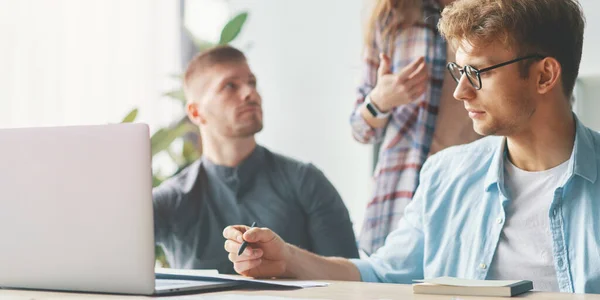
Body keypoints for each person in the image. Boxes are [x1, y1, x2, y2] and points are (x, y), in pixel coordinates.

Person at [223, 0, 600, 293]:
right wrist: (286, 258)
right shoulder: (444, 176)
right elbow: (382, 275)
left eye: (477, 73)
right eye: (458, 71)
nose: (460, 91)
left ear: (545, 75)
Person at [153, 45, 359, 274]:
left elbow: (352, 281)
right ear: (195, 112)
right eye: (230, 86)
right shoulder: (170, 199)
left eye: (251, 82)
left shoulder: (306, 181)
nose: (250, 93)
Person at [352, 0, 481, 254]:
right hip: (403, 192)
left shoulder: (501, 13)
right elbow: (360, 129)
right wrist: (380, 100)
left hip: (473, 189)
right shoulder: (392, 16)